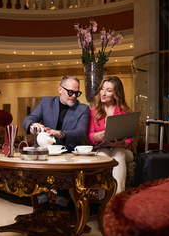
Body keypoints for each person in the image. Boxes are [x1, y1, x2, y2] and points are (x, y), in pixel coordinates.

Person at [22, 75, 90, 210]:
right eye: (70, 92)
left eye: (77, 93)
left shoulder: (82, 108)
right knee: (34, 162)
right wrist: (32, 125)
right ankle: (41, 204)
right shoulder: (46, 102)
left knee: (64, 168)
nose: (74, 96)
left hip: (68, 151)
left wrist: (60, 133)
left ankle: (61, 204)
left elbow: (81, 132)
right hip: (47, 151)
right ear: (60, 89)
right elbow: (28, 119)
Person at [88, 76, 134, 194]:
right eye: (102, 89)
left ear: (116, 94)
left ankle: (117, 199)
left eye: (108, 91)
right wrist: (99, 136)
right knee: (103, 155)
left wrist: (121, 144)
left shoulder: (124, 112)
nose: (103, 93)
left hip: (122, 150)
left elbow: (129, 140)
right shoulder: (93, 112)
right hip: (102, 148)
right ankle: (103, 202)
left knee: (117, 154)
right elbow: (90, 135)